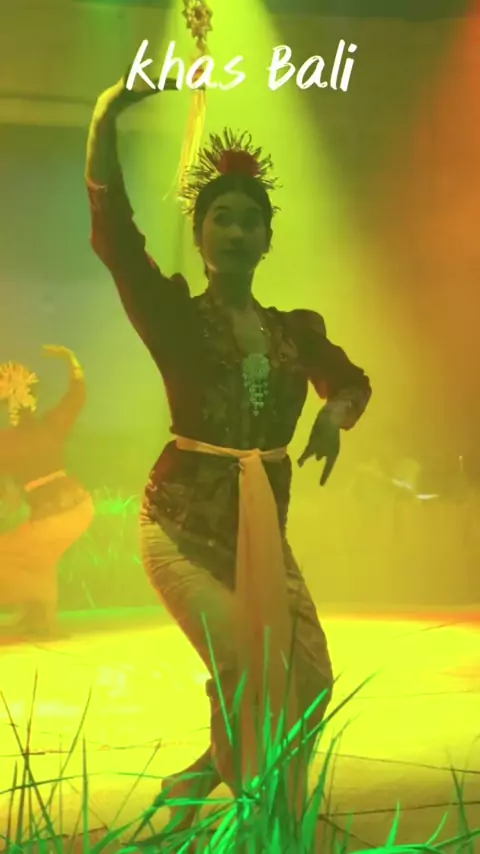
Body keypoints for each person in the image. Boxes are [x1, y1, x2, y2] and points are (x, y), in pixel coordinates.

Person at [86, 73, 371, 833]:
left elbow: (351, 381)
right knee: (246, 668)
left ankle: (203, 776)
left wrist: (334, 415)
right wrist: (108, 113)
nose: (237, 232)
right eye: (221, 219)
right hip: (180, 528)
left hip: (261, 535)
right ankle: (260, 824)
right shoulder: (175, 318)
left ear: (268, 238)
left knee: (310, 681)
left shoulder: (294, 330)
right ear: (201, 234)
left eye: (251, 221)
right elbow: (115, 236)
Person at [0, 346, 94, 636]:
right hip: (79, 507)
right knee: (39, 559)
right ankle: (40, 619)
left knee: (12, 556)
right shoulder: (50, 425)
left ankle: (38, 613)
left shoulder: (9, 442)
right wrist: (72, 361)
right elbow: (76, 398)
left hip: (57, 514)